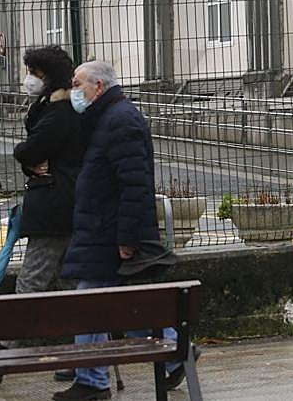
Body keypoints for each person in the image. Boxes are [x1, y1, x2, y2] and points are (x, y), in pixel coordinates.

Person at [53, 60, 187, 401]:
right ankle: (175, 354)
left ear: (99, 87)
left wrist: (128, 238)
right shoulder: (105, 118)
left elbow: (135, 185)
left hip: (107, 232)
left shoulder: (119, 120)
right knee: (119, 305)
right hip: (101, 230)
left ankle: (92, 381)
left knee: (91, 304)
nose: (74, 91)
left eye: (78, 83)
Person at [0, 47, 82, 383]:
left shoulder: (60, 110)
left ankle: (2, 351)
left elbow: (32, 149)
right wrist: (31, 161)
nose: (29, 79)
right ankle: (82, 352)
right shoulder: (56, 107)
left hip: (54, 205)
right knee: (75, 282)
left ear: (48, 75)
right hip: (62, 202)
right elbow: (36, 155)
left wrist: (26, 157)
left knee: (33, 279)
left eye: (34, 72)